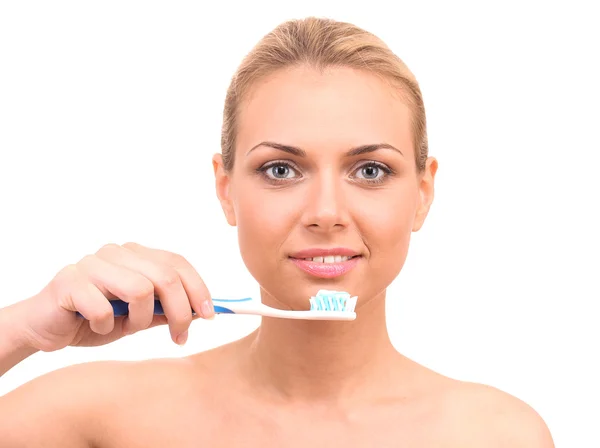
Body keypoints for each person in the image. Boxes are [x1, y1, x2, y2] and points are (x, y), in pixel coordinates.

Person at [0, 16, 554, 447]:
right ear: (226, 189)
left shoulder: (498, 436)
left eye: (370, 171)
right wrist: (26, 327)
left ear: (423, 194)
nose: (326, 212)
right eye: (281, 170)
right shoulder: (107, 417)